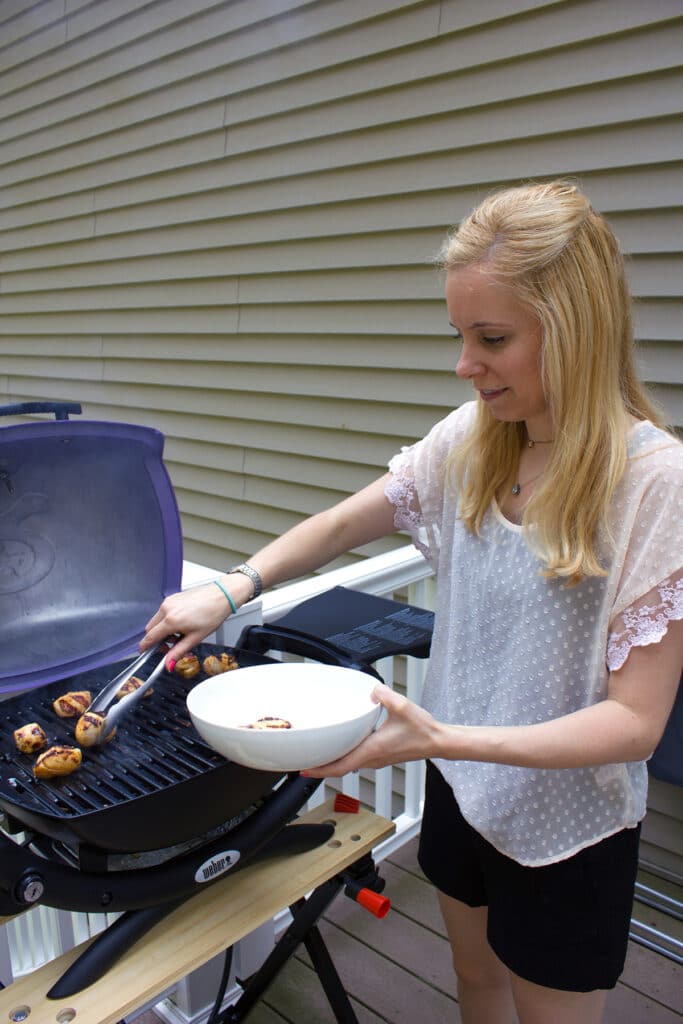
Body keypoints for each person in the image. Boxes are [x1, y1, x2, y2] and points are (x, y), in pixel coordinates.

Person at [141, 180, 683, 1024]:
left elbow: (634, 724)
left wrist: (432, 737)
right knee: (474, 986)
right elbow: (339, 523)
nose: (465, 365)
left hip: (565, 824)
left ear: (576, 328)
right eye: (459, 335)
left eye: (491, 338)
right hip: (459, 788)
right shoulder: (468, 440)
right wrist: (234, 585)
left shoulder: (653, 485)